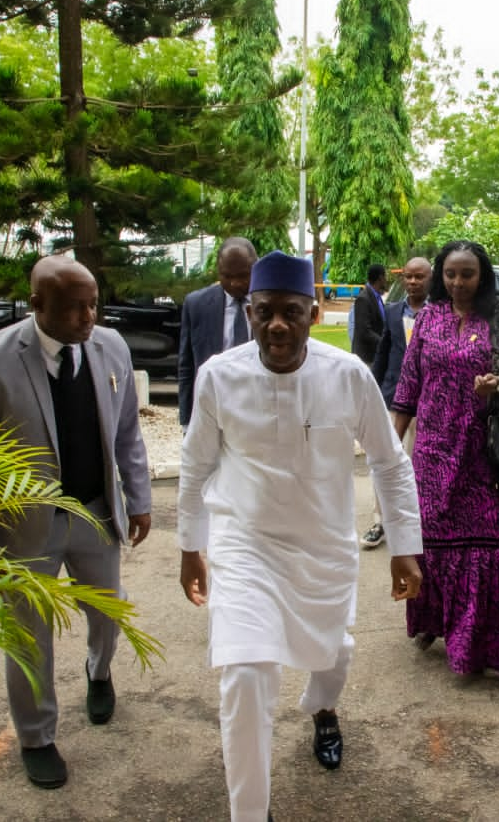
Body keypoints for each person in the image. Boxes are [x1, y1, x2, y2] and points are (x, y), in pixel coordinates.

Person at [177, 251, 423, 822]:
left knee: (332, 654)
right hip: (245, 546)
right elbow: (194, 468)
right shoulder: (219, 375)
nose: (277, 325)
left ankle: (323, 709)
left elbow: (389, 463)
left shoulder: (349, 376)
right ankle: (251, 812)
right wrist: (191, 547)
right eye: (265, 312)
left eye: (291, 312)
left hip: (323, 547)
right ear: (250, 314)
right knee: (245, 675)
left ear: (314, 314)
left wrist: (405, 549)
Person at [0, 255, 152, 790]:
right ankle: (37, 736)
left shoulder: (111, 347)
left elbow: (127, 432)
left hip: (95, 514)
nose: (87, 318)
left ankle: (98, 671)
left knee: (108, 613)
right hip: (24, 529)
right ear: (37, 304)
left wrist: (140, 497)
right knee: (28, 638)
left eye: (92, 305)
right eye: (72, 308)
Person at [391, 240, 499, 678]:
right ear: (441, 275)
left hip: (483, 454)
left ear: (482, 275)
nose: (458, 283)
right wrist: (390, 451)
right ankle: (433, 622)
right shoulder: (429, 317)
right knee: (431, 544)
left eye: (467, 274)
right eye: (451, 274)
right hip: (433, 452)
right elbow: (408, 385)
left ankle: (479, 645)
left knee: (486, 546)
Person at [362, 255, 432, 549]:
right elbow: (382, 353)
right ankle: (380, 520)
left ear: (431, 279)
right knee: (385, 459)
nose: (413, 282)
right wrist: (373, 389)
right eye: (409, 277)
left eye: (420, 277)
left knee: (420, 463)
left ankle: (417, 521)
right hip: (393, 399)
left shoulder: (441, 313)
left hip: (428, 402)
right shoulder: (392, 312)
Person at [178, 238, 258, 428]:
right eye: (227, 276)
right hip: (212, 410)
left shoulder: (271, 304)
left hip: (258, 410)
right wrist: (186, 422)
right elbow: (186, 367)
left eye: (243, 275)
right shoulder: (196, 305)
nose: (235, 283)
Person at [351, 263, 388, 365]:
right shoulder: (363, 298)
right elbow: (364, 331)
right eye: (386, 276)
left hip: (374, 356)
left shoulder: (377, 297)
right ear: (380, 278)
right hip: (365, 358)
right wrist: (384, 342)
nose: (386, 280)